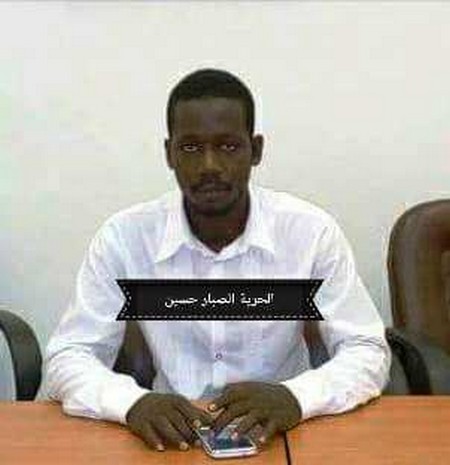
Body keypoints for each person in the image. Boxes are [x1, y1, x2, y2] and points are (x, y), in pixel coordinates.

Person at [44, 68, 391, 452]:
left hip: (285, 433)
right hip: (172, 437)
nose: (209, 165)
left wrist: (296, 397)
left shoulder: (309, 233)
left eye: (228, 146)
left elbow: (366, 349)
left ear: (255, 150)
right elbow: (69, 355)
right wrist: (132, 403)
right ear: (169, 154)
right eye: (191, 148)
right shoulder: (125, 238)